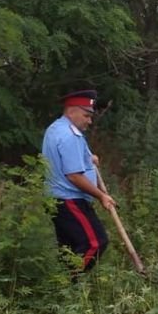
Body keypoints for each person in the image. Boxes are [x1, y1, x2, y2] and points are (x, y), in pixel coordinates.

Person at [41, 90, 115, 274]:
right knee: (95, 242)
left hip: (57, 199)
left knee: (69, 247)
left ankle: (62, 291)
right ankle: (68, 284)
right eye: (86, 115)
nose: (89, 121)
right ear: (71, 110)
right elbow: (74, 175)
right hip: (70, 200)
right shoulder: (69, 136)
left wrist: (90, 158)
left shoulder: (57, 128)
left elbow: (75, 158)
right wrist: (101, 196)